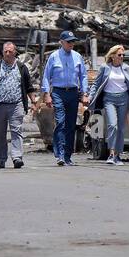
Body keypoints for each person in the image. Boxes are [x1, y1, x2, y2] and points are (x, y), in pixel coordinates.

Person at [0, 42, 37, 169]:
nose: (8, 53)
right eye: (5, 51)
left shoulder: (21, 67)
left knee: (16, 131)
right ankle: (1, 159)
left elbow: (29, 87)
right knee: (0, 134)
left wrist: (34, 102)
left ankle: (17, 157)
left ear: (15, 52)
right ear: (2, 52)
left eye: (10, 51)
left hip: (16, 104)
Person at [87, 44, 129, 165]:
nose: (122, 57)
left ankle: (118, 155)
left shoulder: (126, 68)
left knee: (121, 128)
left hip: (123, 99)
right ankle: (111, 154)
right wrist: (90, 96)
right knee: (112, 125)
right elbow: (96, 84)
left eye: (123, 55)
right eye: (119, 55)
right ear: (113, 56)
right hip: (109, 99)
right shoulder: (105, 67)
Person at [42, 31, 88, 166]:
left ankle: (68, 156)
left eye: (73, 41)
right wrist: (46, 94)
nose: (71, 44)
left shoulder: (77, 56)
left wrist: (85, 93)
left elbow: (83, 76)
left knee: (71, 125)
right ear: (61, 42)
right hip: (58, 92)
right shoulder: (54, 57)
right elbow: (46, 76)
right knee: (61, 122)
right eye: (68, 42)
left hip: (73, 93)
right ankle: (60, 154)